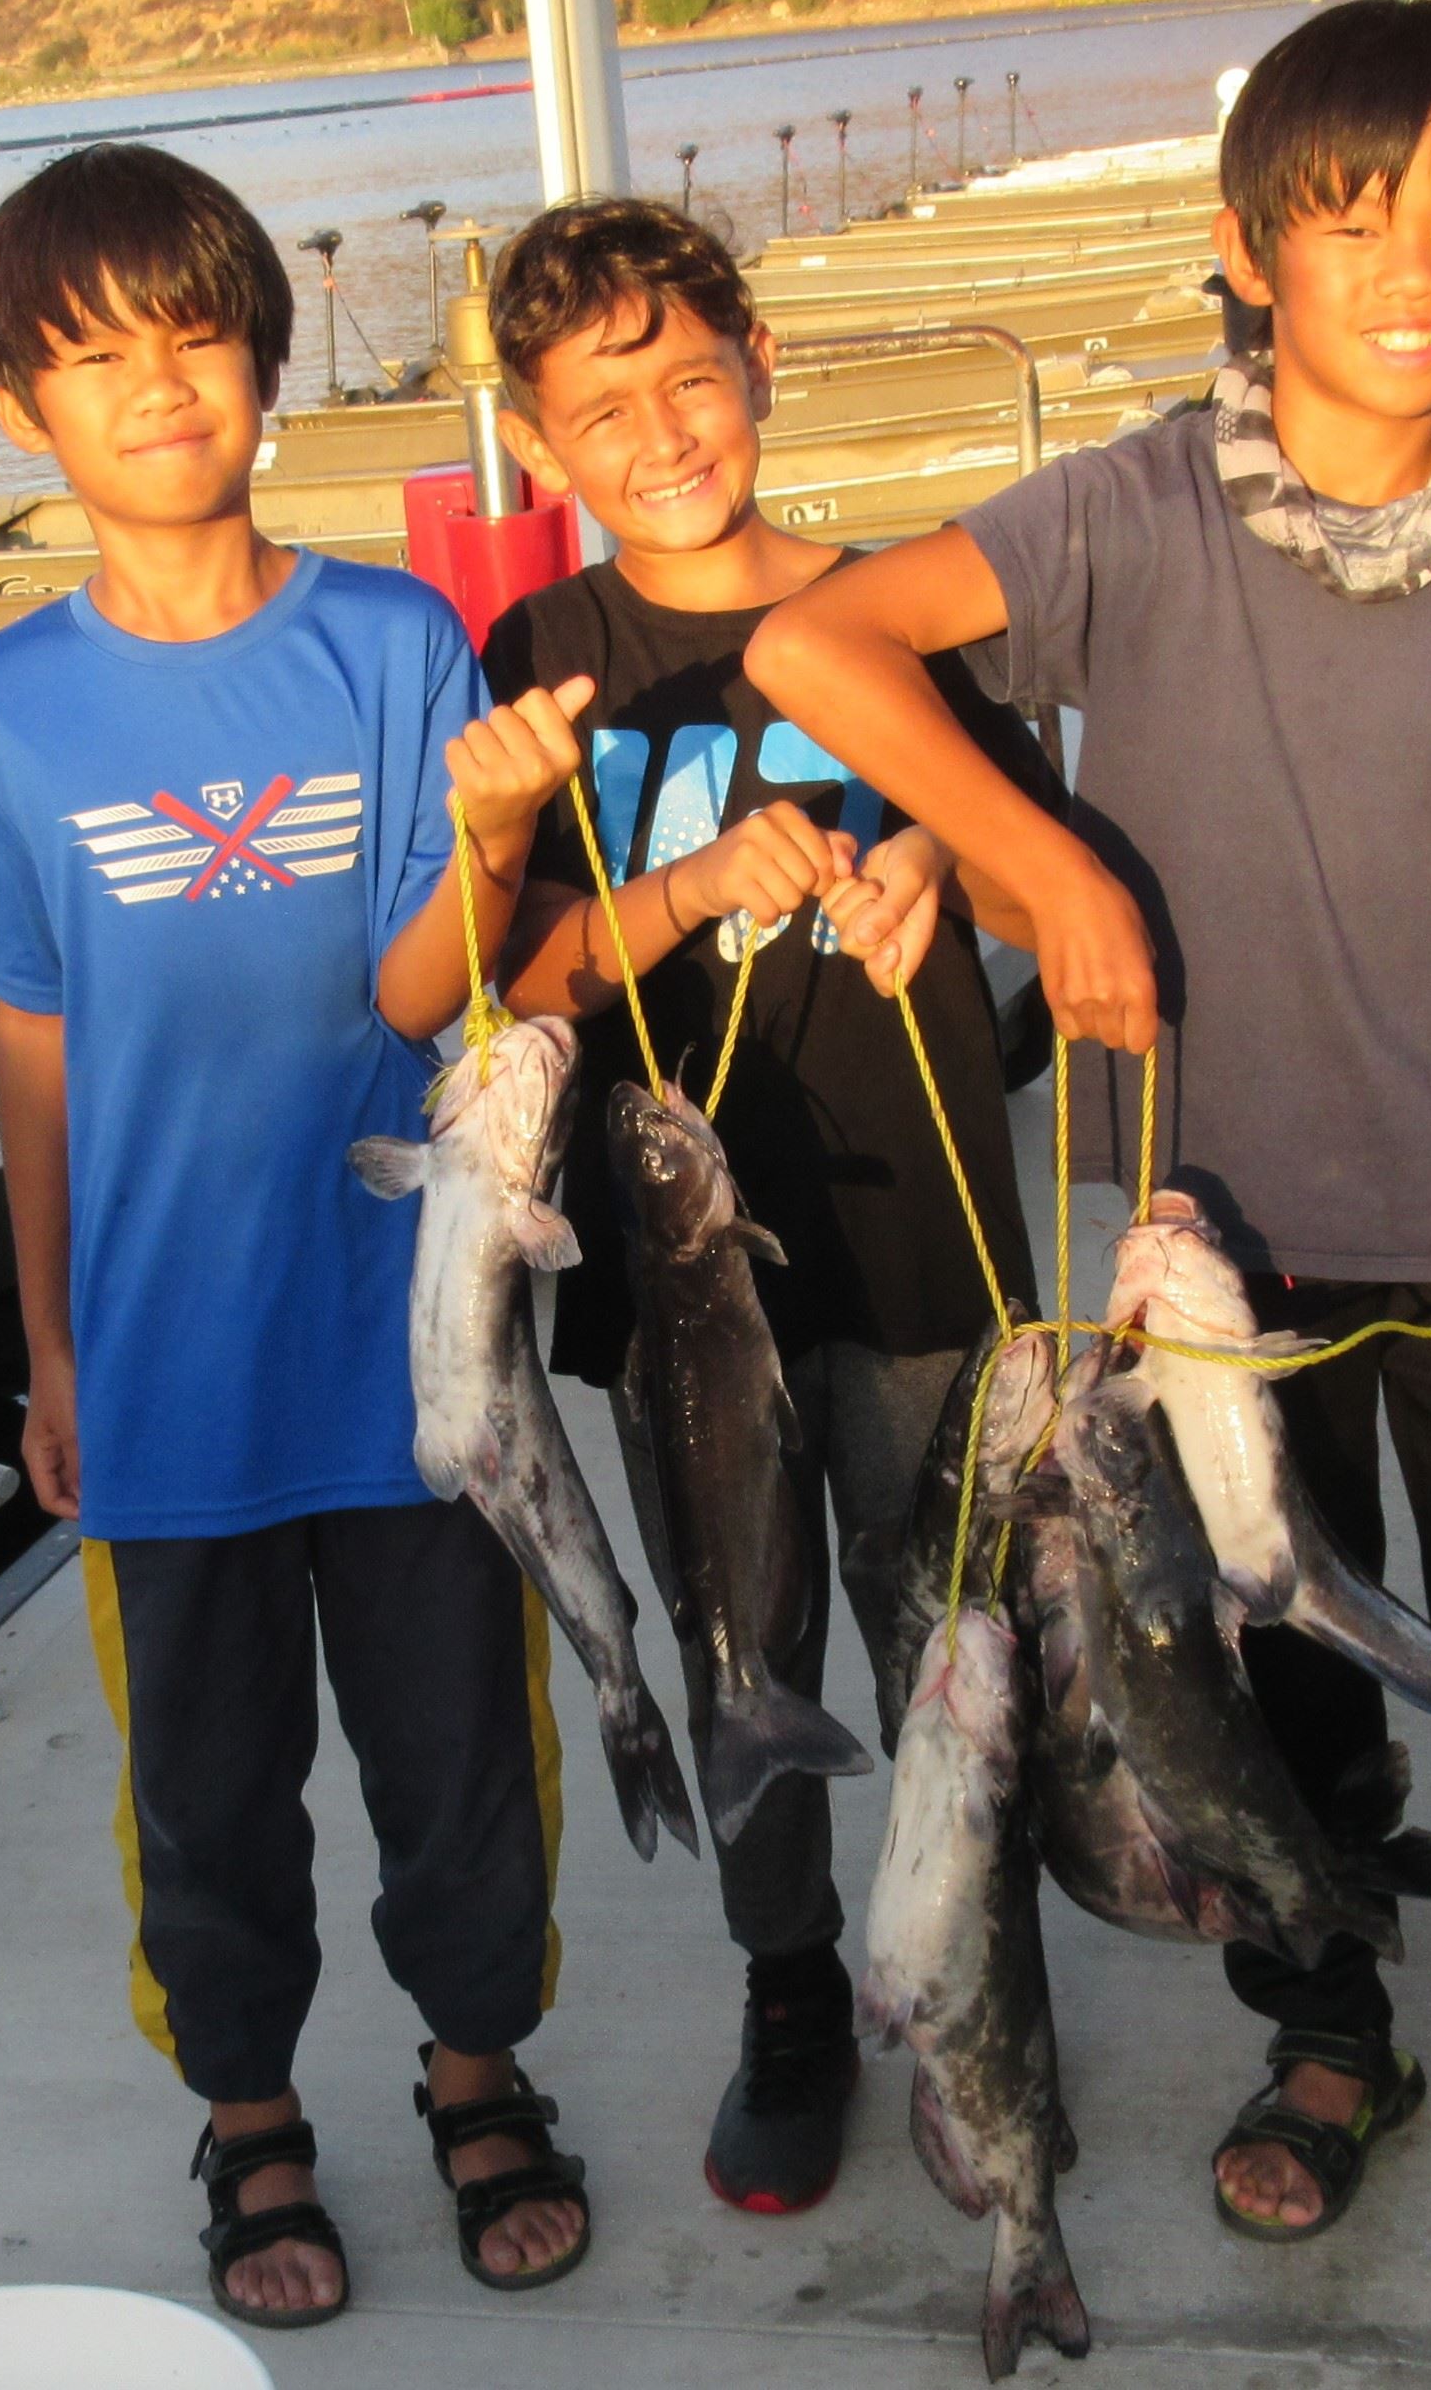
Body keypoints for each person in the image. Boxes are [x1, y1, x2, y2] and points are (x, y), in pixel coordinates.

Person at [745, 0, 1431, 2294]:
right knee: (1266, 1656)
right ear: (1250, 251)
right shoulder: (1124, 508)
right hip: (1204, 1245)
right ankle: (1325, 2011)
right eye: (1353, 220)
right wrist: (1033, 862)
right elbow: (813, 639)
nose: (1413, 267)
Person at [0, 141, 600, 2328]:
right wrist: (48, 1348)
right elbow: (33, 1050)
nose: (153, 385)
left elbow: (434, 992)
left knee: (457, 1755)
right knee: (201, 1787)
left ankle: (476, 2059)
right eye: (90, 355)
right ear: (23, 411)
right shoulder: (9, 713)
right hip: (161, 1355)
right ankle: (246, 2111)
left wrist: (492, 836)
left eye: (192, 333)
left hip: (404, 1342)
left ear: (265, 362)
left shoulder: (393, 638)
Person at [479, 196, 1054, 2217]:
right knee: (747, 1624)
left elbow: (1025, 865)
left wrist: (944, 881)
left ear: (760, 368)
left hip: (909, 1229)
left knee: (945, 1629)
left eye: (689, 376)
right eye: (599, 406)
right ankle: (790, 1982)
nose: (658, 430)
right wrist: (672, 894)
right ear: (540, 448)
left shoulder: (904, 611)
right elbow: (512, 964)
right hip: (671, 1262)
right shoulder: (538, 656)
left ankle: (975, 1967)